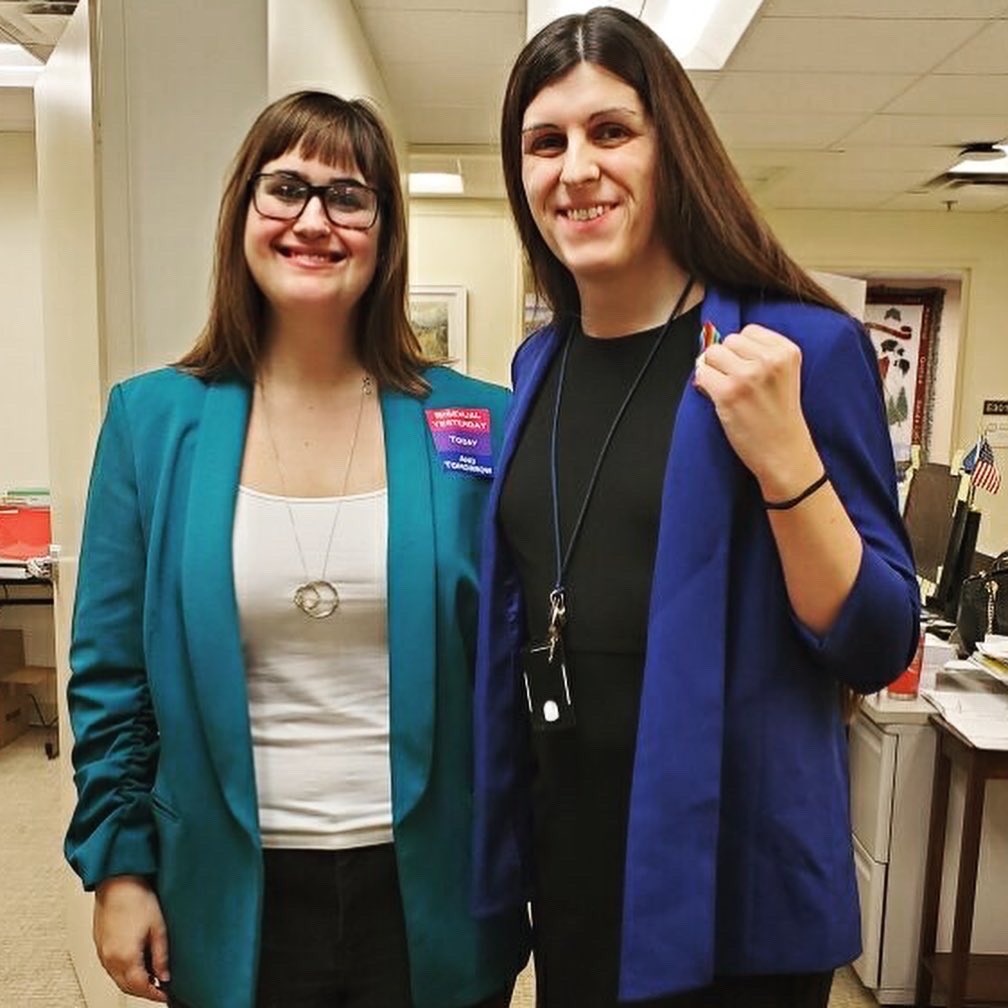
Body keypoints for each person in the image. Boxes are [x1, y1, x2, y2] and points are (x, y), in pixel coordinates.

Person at [471, 8, 919, 1008]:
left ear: (672, 148)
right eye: (545, 142)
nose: (576, 169)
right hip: (575, 867)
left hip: (732, 895)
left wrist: (787, 460)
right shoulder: (538, 364)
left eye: (611, 131)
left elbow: (878, 641)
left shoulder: (796, 347)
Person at [65, 90, 528, 1008]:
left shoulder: (478, 421)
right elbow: (112, 678)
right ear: (244, 210)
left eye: (348, 197)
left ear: (385, 232)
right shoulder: (152, 423)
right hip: (228, 889)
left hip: (430, 886)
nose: (313, 220)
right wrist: (119, 868)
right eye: (285, 189)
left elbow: (518, 661)